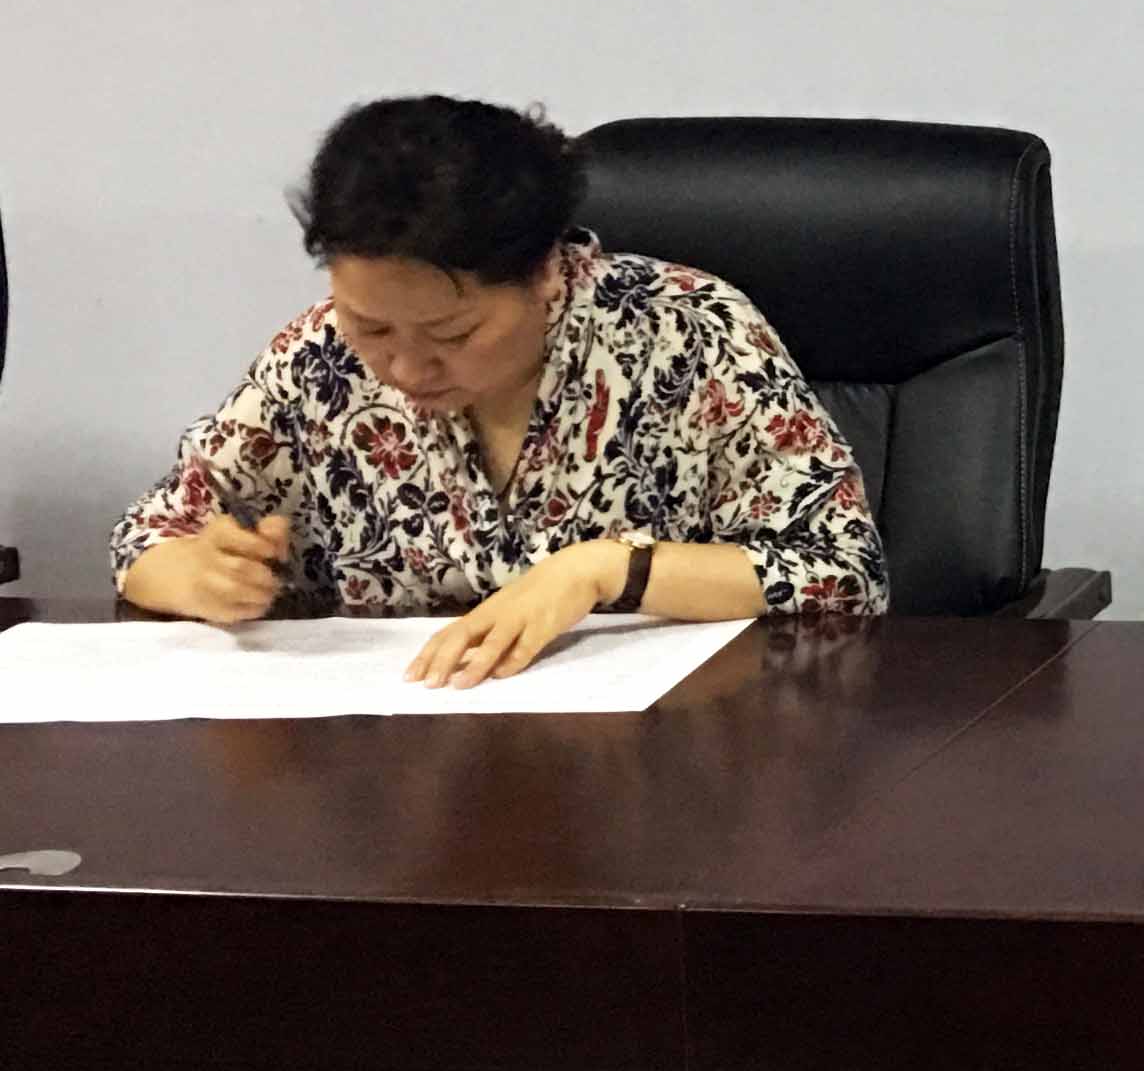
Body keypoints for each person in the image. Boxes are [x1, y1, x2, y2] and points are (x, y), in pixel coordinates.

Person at [112, 95, 887, 685]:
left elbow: (840, 570)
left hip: (656, 766)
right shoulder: (318, 359)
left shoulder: (688, 333)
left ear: (546, 272)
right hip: (398, 768)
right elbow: (151, 535)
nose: (406, 368)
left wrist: (604, 569)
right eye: (372, 326)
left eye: (451, 335)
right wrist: (201, 576)